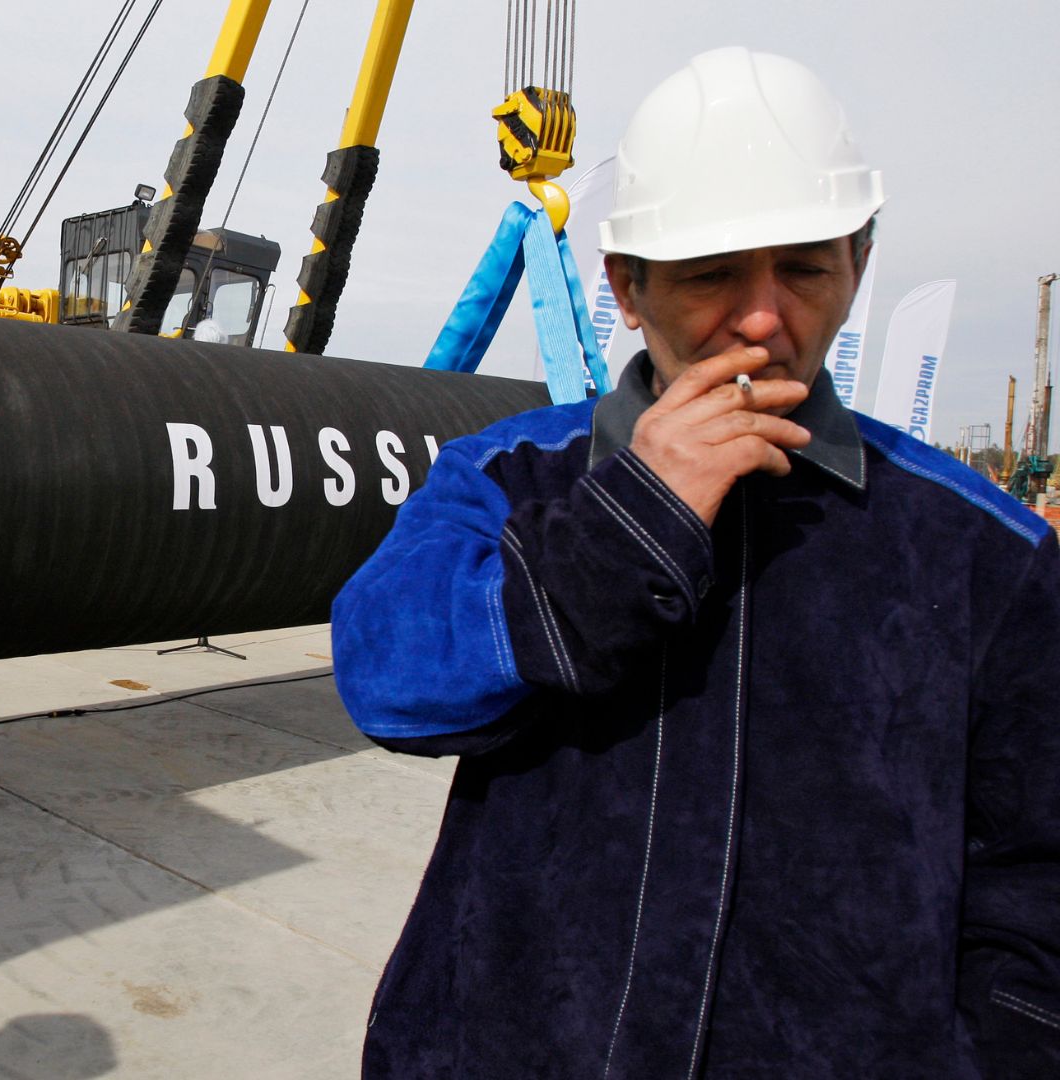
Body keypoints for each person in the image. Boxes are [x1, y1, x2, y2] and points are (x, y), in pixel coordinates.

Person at [333, 47, 1060, 1078]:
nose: (764, 318)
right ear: (627, 287)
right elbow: (386, 680)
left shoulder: (984, 553)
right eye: (715, 272)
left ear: (858, 261)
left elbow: (1035, 878)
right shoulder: (511, 477)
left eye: (804, 266)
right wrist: (629, 523)